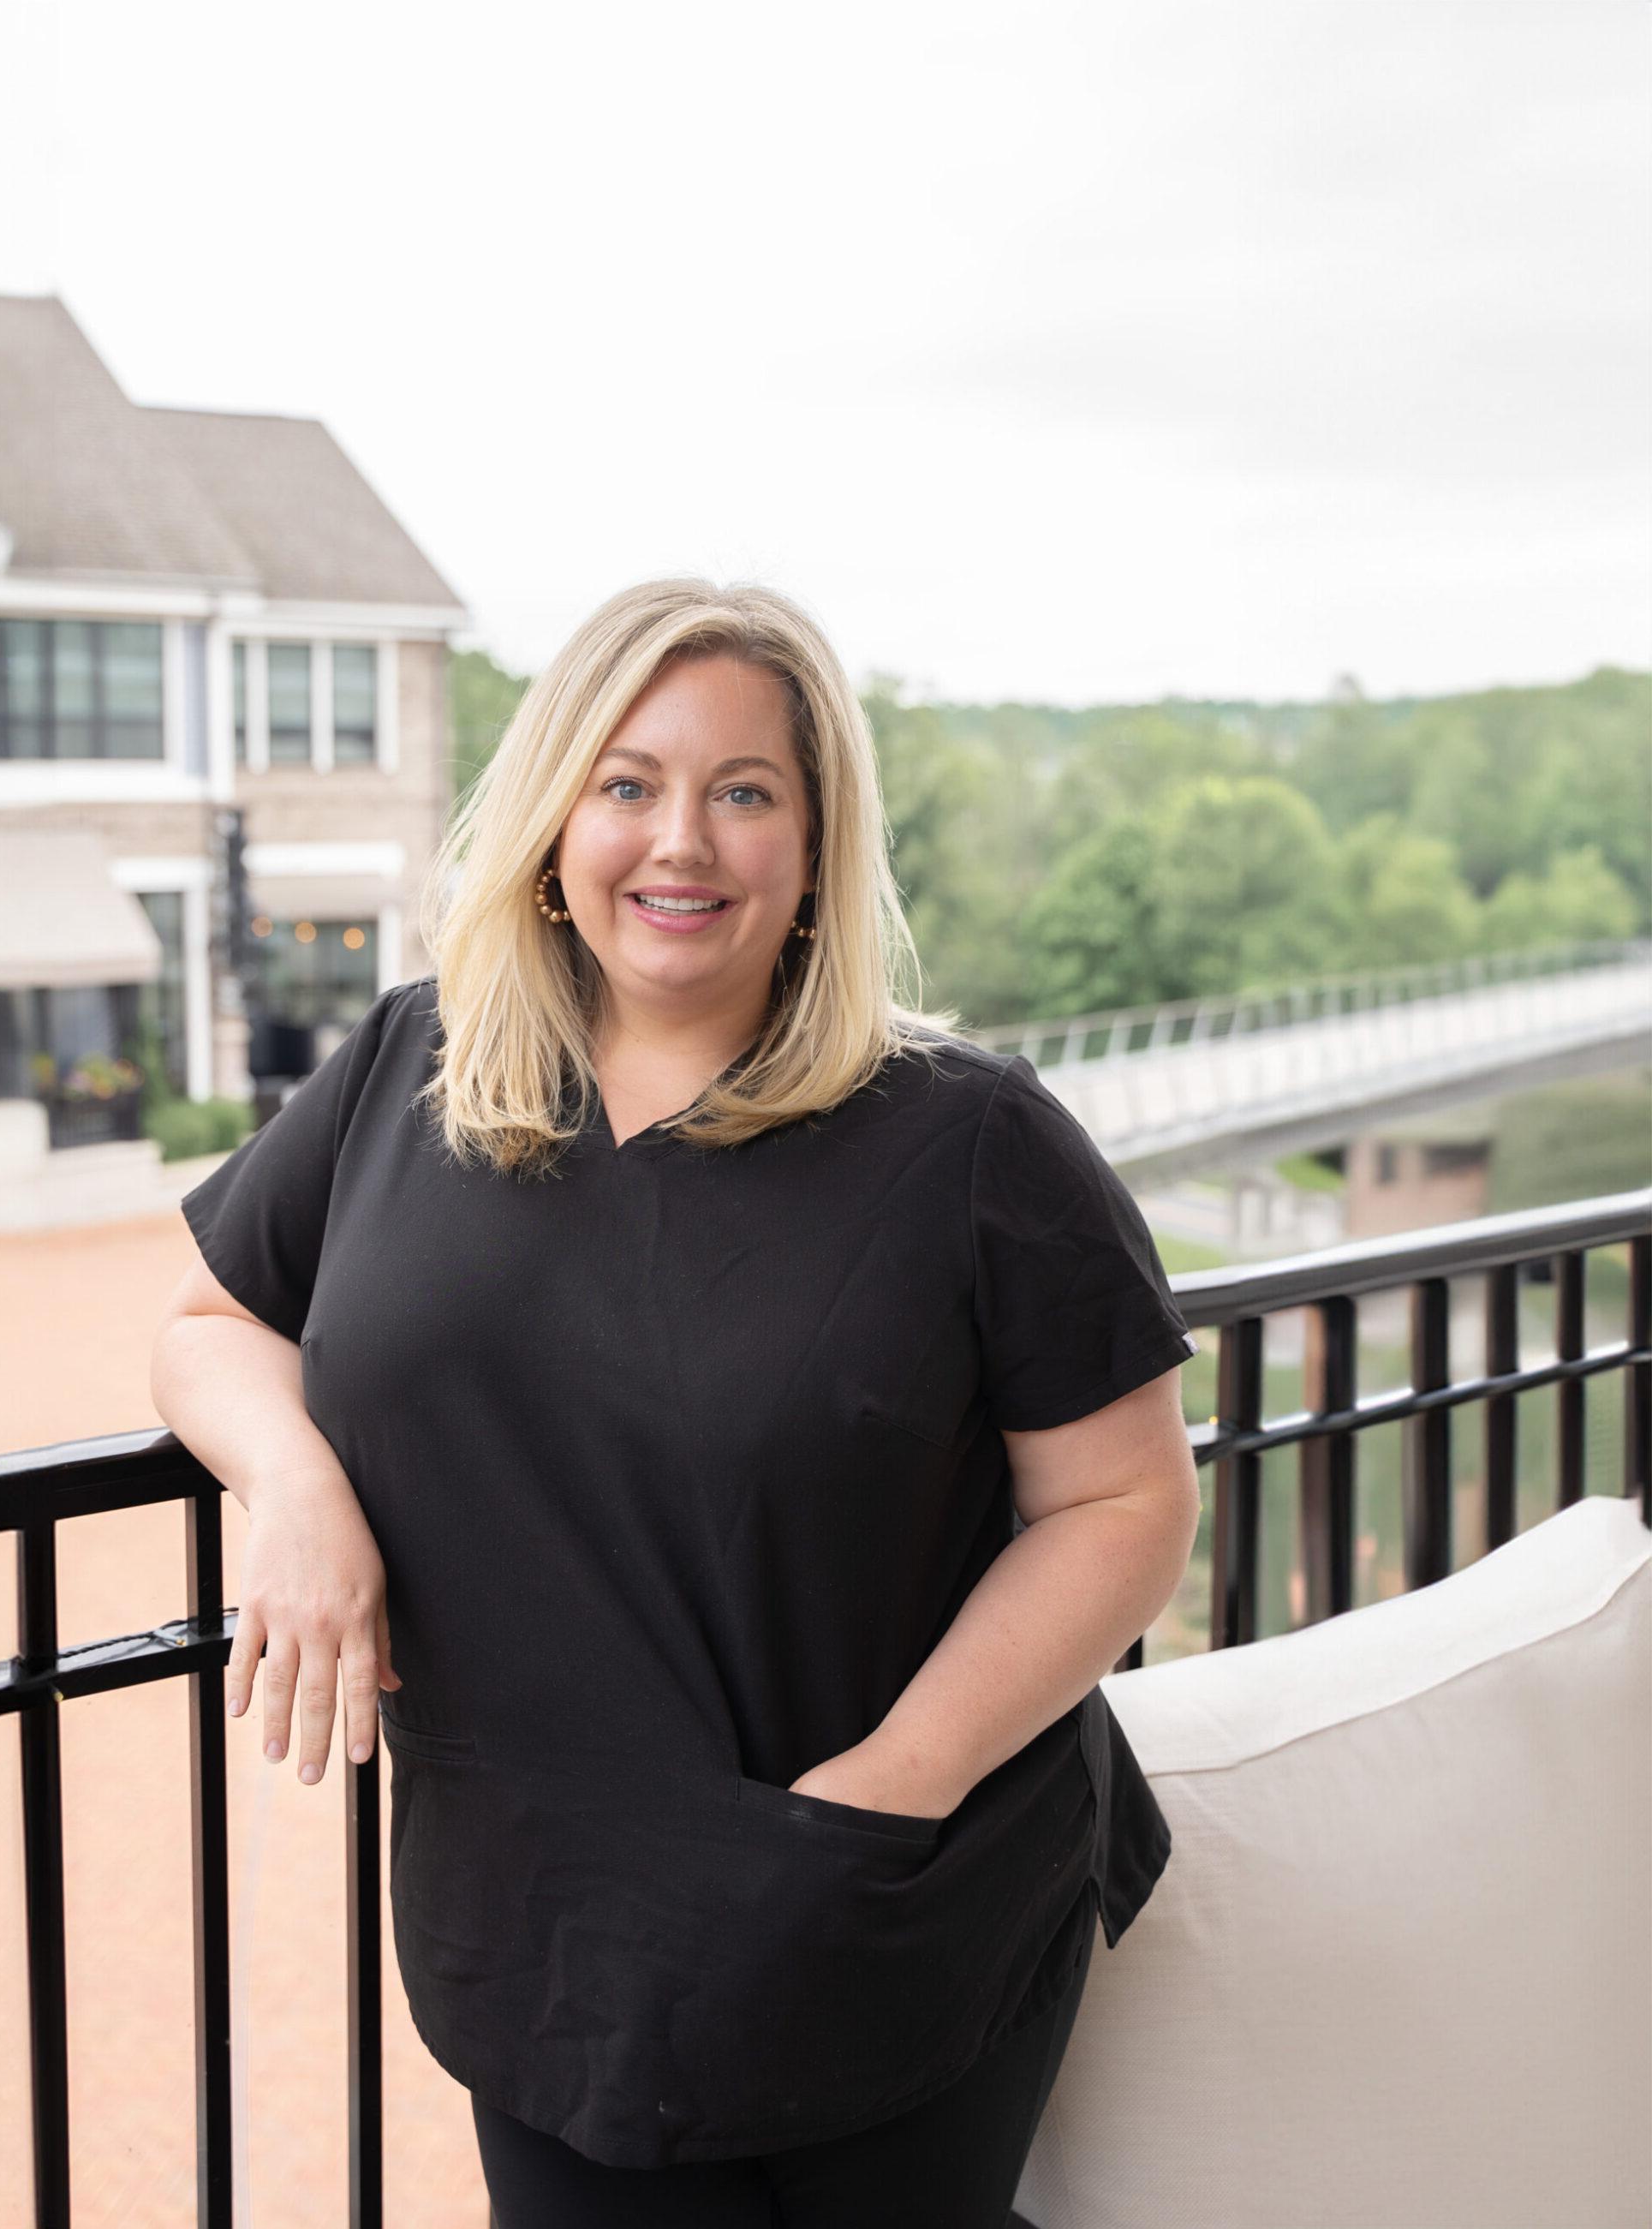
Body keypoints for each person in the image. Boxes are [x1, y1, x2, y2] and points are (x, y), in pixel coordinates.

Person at [152, 577, 1202, 2225]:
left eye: (745, 791)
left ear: (813, 846)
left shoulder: (970, 1136)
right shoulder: (413, 1067)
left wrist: (889, 1791)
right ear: (556, 815)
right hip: (544, 1914)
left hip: (879, 1890)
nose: (681, 841)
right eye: (629, 781)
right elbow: (213, 1318)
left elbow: (1127, 1504)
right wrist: (293, 1486)